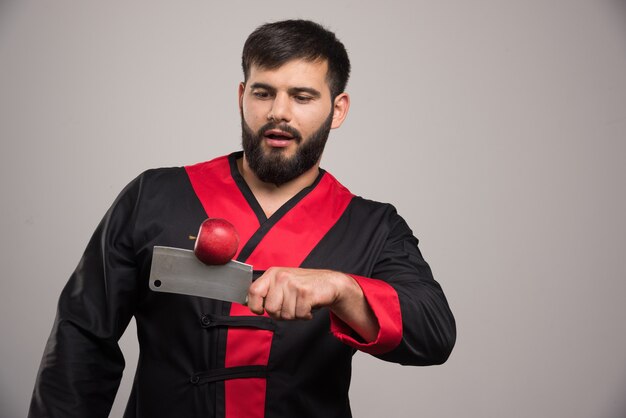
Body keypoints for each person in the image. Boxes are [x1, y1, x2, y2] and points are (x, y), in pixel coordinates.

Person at [29, 19, 456, 418]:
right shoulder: (154, 196)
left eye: (302, 96)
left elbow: (434, 333)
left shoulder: (373, 227)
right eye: (263, 92)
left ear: (337, 109)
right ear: (241, 96)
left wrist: (342, 289)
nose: (279, 112)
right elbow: (81, 339)